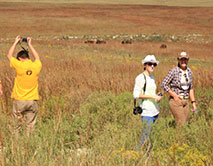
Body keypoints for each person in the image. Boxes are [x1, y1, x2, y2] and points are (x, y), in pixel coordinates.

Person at [7, 35, 42, 136]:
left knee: (16, 125)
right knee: (30, 126)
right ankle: (29, 144)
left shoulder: (19, 66)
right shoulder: (36, 66)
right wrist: (30, 44)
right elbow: (38, 58)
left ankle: (17, 145)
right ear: (28, 57)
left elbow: (9, 56)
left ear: (19, 58)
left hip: (20, 100)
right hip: (32, 100)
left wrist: (15, 42)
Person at [133, 55, 163, 147]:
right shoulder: (141, 77)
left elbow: (151, 93)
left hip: (155, 111)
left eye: (154, 64)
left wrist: (157, 96)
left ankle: (148, 157)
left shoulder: (152, 77)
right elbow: (136, 94)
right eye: (150, 64)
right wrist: (153, 97)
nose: (152, 66)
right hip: (146, 112)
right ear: (145, 65)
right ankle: (135, 155)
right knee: (145, 137)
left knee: (152, 137)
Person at [161, 51, 197, 126]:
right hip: (176, 101)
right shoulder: (174, 71)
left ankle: (179, 136)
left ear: (188, 60)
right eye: (181, 59)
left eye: (185, 59)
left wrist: (193, 103)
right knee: (182, 123)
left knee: (184, 123)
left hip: (186, 101)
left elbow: (191, 88)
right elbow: (163, 84)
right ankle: (179, 137)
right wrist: (174, 95)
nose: (183, 61)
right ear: (178, 60)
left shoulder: (189, 71)